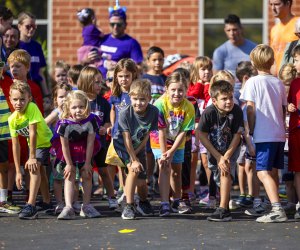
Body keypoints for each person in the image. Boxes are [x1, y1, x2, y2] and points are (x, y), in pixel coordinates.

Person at [240, 44, 288, 223]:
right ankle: (272, 203)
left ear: (253, 62)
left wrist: (250, 130)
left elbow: (250, 109)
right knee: (273, 171)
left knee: (262, 172)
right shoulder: (278, 82)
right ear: (272, 61)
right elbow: (283, 110)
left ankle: (276, 209)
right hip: (278, 133)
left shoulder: (252, 82)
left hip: (263, 134)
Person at [150, 71, 195, 217]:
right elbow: (161, 131)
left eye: (181, 90)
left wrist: (172, 151)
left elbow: (183, 132)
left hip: (177, 141)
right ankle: (164, 203)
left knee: (177, 171)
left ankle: (177, 200)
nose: (177, 93)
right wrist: (165, 154)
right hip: (159, 141)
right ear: (166, 89)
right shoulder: (159, 105)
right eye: (173, 90)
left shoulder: (188, 106)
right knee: (164, 167)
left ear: (186, 90)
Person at [51, 90, 101, 219]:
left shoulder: (91, 120)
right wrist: (68, 164)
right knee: (70, 174)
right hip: (68, 151)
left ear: (86, 107)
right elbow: (64, 145)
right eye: (74, 107)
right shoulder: (64, 124)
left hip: (84, 149)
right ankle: (68, 207)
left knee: (87, 174)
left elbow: (91, 142)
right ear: (68, 108)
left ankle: (86, 205)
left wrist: (88, 163)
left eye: (81, 107)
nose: (78, 110)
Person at [198, 80, 243, 222]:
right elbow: (201, 135)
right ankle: (225, 205)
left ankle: (223, 209)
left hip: (231, 149)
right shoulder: (209, 112)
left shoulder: (236, 111)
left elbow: (237, 135)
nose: (229, 101)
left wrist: (226, 156)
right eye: (224, 99)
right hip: (215, 150)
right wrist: (218, 157)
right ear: (214, 100)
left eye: (230, 97)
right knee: (219, 178)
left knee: (225, 172)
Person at [113, 79, 158, 219]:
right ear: (130, 97)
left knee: (142, 181)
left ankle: (143, 202)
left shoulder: (153, 111)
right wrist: (133, 159)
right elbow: (126, 139)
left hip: (139, 145)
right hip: (123, 146)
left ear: (149, 98)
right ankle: (129, 205)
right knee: (133, 169)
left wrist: (139, 152)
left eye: (143, 99)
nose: (138, 102)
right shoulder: (124, 113)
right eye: (135, 99)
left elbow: (148, 134)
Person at [8, 80, 53, 219]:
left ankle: (31, 205)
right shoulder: (12, 119)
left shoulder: (32, 107)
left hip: (46, 141)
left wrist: (32, 156)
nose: (18, 103)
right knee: (41, 171)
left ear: (29, 99)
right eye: (15, 99)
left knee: (34, 167)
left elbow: (33, 133)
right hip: (34, 145)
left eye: (22, 99)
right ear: (10, 99)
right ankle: (47, 202)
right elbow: (16, 145)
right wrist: (17, 171)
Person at [77, 66, 117, 210]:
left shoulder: (103, 102)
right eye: (97, 82)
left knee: (103, 171)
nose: (100, 85)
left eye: (101, 82)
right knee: (82, 172)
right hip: (80, 144)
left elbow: (107, 121)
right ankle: (79, 201)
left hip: (98, 143)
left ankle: (112, 197)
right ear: (87, 81)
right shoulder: (78, 100)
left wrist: (105, 128)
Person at [141, 46, 166, 196]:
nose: (157, 63)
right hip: (147, 119)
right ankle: (148, 179)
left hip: (161, 121)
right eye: (154, 60)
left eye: (160, 59)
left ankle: (157, 178)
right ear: (148, 61)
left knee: (160, 151)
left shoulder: (165, 79)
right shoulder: (144, 79)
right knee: (148, 152)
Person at [45, 82, 73, 214]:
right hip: (57, 151)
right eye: (61, 97)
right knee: (57, 178)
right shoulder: (57, 112)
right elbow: (44, 123)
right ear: (56, 99)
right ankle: (60, 203)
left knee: (74, 176)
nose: (64, 100)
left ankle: (74, 202)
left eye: (67, 97)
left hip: (73, 150)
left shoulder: (74, 112)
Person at [235, 61, 258, 208]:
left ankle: (251, 193)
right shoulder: (239, 95)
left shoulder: (253, 91)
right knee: (241, 163)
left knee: (250, 165)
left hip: (250, 134)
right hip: (241, 133)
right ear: (245, 78)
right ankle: (243, 192)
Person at [96, 5, 143, 77]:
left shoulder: (132, 43)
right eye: (112, 24)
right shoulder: (102, 39)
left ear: (125, 25)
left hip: (117, 83)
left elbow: (139, 68)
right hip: (96, 82)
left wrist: (119, 67)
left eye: (119, 24)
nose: (115, 27)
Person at [18, 12, 49, 97]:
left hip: (36, 88)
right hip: (21, 89)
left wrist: (46, 94)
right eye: (28, 26)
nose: (31, 29)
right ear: (19, 26)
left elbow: (40, 71)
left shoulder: (37, 46)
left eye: (34, 27)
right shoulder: (16, 45)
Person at [287, 44, 300, 219]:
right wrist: (290, 107)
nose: (294, 63)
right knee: (298, 170)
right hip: (296, 132)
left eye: (297, 60)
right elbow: (290, 104)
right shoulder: (295, 83)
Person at [270, 0, 299, 75]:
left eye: (276, 4)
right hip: (279, 80)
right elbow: (273, 58)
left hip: (294, 78)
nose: (273, 8)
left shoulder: (297, 25)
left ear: (288, 3)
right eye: (271, 4)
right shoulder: (274, 29)